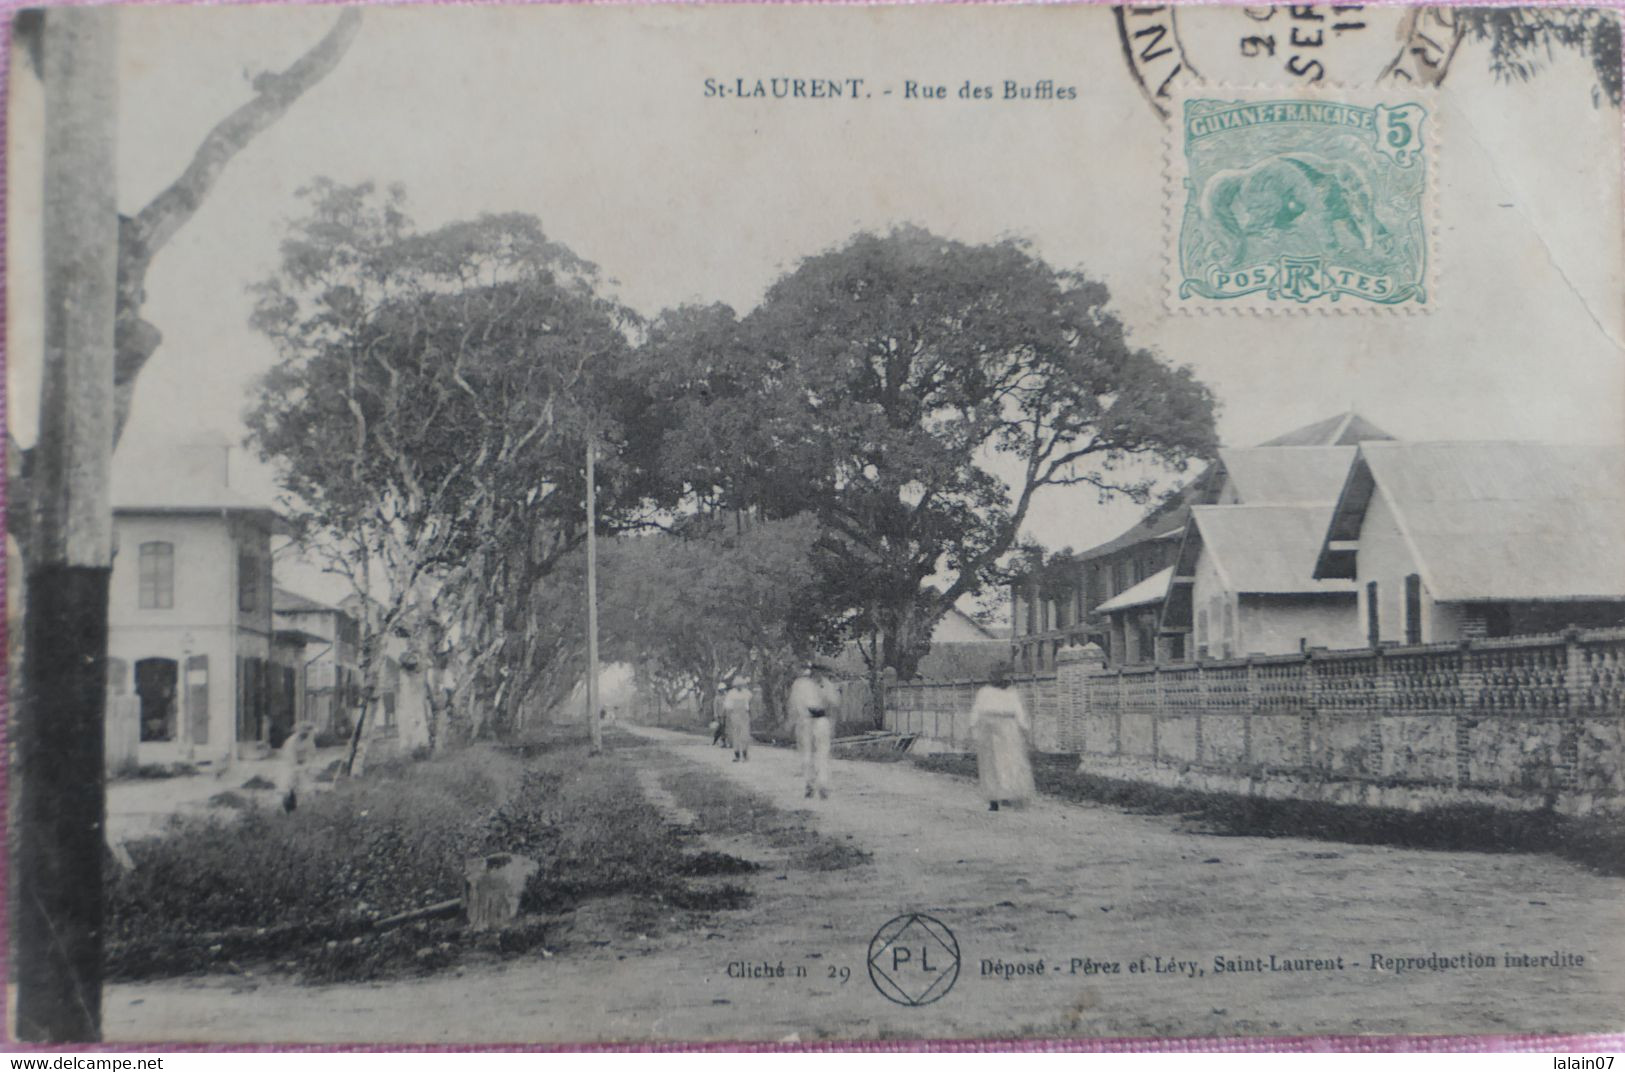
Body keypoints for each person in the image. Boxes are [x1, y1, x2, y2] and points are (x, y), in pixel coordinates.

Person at [970, 663, 1035, 812]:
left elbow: (1019, 711)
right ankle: (993, 799)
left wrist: (1025, 728)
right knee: (990, 764)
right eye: (996, 676)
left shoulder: (1012, 693)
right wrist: (974, 727)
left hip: (1009, 730)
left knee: (1010, 761)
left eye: (1004, 676)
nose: (1000, 679)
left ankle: (1010, 795)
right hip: (989, 730)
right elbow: (977, 710)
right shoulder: (984, 692)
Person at [788, 664, 841, 799]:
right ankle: (809, 784)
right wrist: (793, 721)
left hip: (821, 720)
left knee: (822, 753)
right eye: (816, 672)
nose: (818, 675)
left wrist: (832, 724)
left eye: (821, 672)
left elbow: (835, 704)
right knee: (806, 755)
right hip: (805, 721)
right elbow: (794, 704)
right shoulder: (800, 684)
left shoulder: (827, 685)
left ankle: (823, 784)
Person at [722, 685, 752, 762]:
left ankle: (745, 754)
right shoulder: (731, 693)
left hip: (744, 715)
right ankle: (737, 755)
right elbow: (727, 706)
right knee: (736, 736)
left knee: (745, 735)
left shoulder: (746, 692)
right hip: (735, 715)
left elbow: (749, 701)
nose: (739, 687)